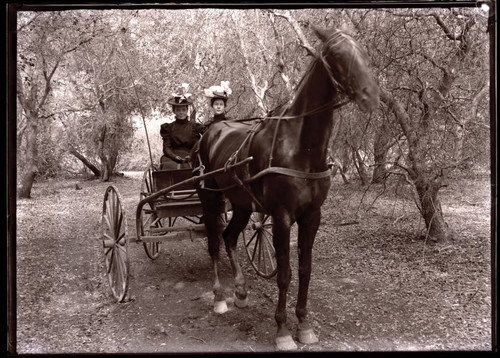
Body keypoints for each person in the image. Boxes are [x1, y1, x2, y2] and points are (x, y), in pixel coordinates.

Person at [160, 85, 204, 170]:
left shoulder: (194, 126)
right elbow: (166, 147)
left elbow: (199, 144)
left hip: (191, 156)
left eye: (183, 110)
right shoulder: (168, 128)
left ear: (187, 110)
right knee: (168, 166)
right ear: (174, 111)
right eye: (178, 110)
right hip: (173, 157)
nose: (181, 113)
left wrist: (191, 155)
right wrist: (174, 156)